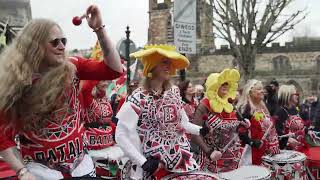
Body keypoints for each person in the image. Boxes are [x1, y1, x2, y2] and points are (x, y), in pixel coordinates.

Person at [0, 5, 123, 179]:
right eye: (54, 42)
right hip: (41, 172)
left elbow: (114, 70)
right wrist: (22, 171)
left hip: (83, 168)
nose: (61, 46)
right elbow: (3, 136)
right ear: (34, 46)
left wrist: (99, 29)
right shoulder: (16, 83)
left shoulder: (74, 66)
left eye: (63, 41)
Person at [115, 45, 209, 179]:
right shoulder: (138, 97)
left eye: (170, 63)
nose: (169, 67)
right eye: (164, 62)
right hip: (154, 165)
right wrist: (143, 162)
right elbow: (120, 135)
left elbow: (183, 123)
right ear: (152, 66)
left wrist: (200, 130)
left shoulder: (174, 92)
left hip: (181, 160)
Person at [191, 69, 247, 173]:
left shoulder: (229, 103)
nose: (226, 85)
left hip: (233, 159)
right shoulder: (204, 105)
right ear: (214, 85)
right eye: (222, 83)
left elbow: (233, 129)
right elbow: (194, 133)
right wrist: (209, 152)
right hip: (213, 160)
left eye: (227, 83)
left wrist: (243, 125)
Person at [237, 79, 280, 165]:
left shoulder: (263, 106)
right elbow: (240, 131)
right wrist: (251, 142)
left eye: (262, 89)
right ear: (250, 92)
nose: (262, 91)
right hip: (254, 154)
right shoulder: (246, 108)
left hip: (270, 152)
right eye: (259, 89)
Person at [275, 85, 317, 151]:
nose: (298, 95)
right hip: (289, 152)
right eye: (296, 94)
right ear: (288, 95)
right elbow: (276, 133)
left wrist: (308, 131)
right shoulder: (281, 112)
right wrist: (288, 140)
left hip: (301, 147)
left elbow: (300, 126)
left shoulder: (294, 109)